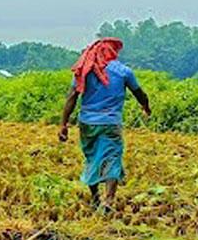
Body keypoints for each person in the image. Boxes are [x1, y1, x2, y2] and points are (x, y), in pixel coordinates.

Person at [58, 36, 151, 209]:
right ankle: (108, 200)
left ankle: (95, 197)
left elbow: (72, 95)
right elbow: (139, 93)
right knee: (112, 157)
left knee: (92, 157)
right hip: (110, 123)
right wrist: (146, 106)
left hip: (87, 122)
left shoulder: (85, 69)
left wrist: (63, 124)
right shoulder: (124, 71)